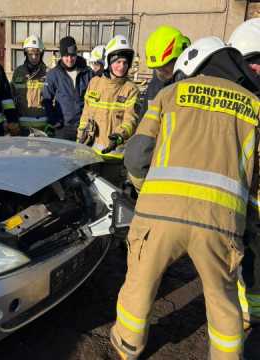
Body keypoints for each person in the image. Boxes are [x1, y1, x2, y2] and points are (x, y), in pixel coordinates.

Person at [110, 36, 260, 360]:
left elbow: (136, 156)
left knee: (139, 286)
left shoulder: (168, 94)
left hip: (157, 216)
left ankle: (127, 347)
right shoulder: (255, 106)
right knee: (223, 301)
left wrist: (141, 189)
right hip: (220, 224)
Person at [229, 17, 260, 330]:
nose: (255, 70)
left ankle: (251, 309)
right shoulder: (238, 100)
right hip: (240, 198)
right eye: (250, 63)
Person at [77, 35, 140, 187]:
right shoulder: (94, 83)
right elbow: (86, 113)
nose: (122, 66)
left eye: (125, 62)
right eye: (118, 62)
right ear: (109, 62)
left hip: (114, 157)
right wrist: (80, 137)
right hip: (90, 153)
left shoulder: (130, 89)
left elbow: (131, 119)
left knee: (110, 197)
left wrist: (119, 135)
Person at [42, 36, 92, 140]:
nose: (70, 59)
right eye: (66, 56)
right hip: (63, 128)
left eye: (72, 55)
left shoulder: (87, 73)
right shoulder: (53, 74)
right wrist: (54, 120)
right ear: (61, 55)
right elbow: (46, 100)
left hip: (84, 127)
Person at [138, 25, 190, 121]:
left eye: (166, 66)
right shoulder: (154, 87)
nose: (161, 71)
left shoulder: (192, 88)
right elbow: (143, 122)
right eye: (157, 68)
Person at [11, 35, 48, 134]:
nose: (34, 57)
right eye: (31, 54)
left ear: (41, 54)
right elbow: (11, 97)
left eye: (37, 54)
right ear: (26, 54)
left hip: (43, 128)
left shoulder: (48, 73)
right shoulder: (18, 72)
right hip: (21, 129)